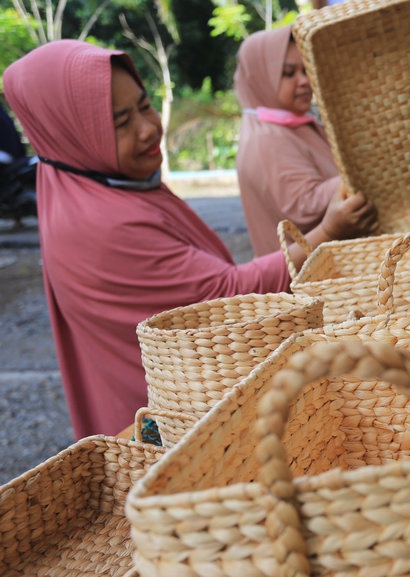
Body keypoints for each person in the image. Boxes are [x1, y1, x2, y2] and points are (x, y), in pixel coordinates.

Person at [2, 40, 369, 438]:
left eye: (145, 106)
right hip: (173, 425)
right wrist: (328, 231)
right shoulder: (105, 223)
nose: (148, 128)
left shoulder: (100, 184)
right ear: (72, 135)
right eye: (121, 122)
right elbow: (224, 297)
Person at [234, 25, 376, 256]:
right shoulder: (267, 138)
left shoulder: (292, 126)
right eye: (288, 73)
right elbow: (303, 206)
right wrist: (369, 171)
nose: (304, 81)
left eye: (305, 70)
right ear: (260, 78)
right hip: (311, 271)